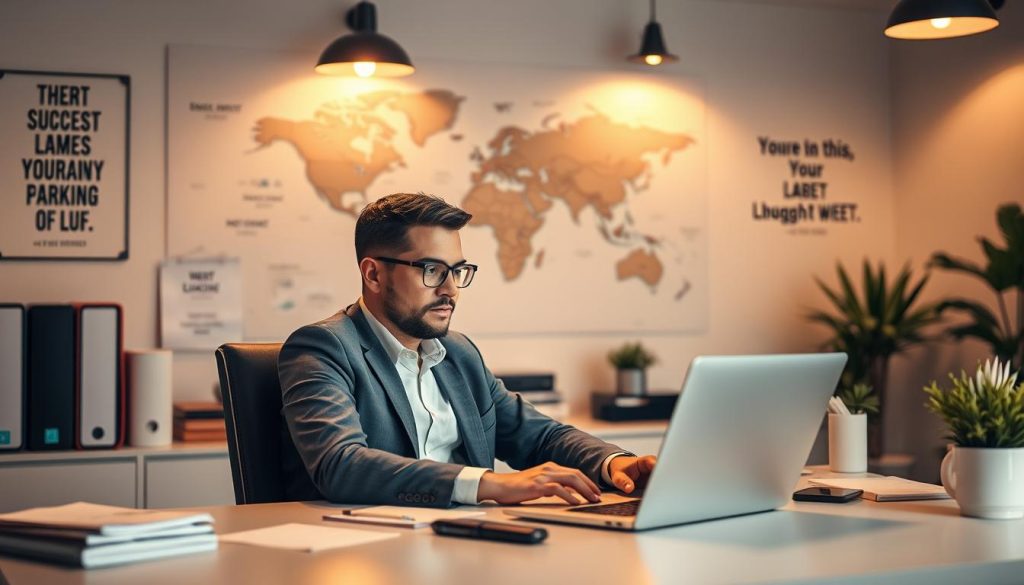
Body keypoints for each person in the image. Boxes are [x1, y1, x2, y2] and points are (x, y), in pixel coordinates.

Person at [278, 192, 657, 507]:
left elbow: (539, 437)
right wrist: (488, 484)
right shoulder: (323, 348)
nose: (450, 290)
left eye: (457, 271)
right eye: (431, 270)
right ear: (373, 274)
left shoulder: (458, 353)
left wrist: (614, 463)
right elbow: (341, 465)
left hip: (467, 541)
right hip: (366, 554)